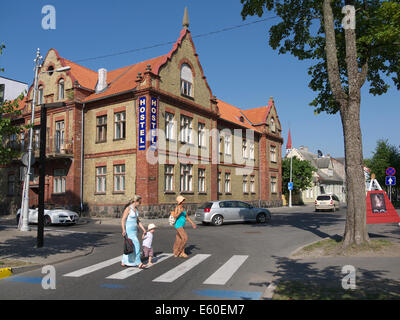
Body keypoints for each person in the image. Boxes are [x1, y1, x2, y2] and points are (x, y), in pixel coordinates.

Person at [121, 195, 147, 268]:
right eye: (140, 202)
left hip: (134, 230)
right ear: (136, 201)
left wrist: (143, 229)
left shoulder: (136, 209)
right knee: (137, 245)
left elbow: (138, 221)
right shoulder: (128, 208)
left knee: (130, 245)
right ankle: (139, 263)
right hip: (129, 230)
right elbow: (123, 219)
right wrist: (123, 229)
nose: (140, 203)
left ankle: (124, 261)